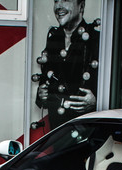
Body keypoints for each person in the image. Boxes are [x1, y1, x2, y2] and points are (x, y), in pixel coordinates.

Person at [35, 0, 100, 130]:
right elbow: (47, 76)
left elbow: (117, 88)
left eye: (65, 0)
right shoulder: (53, 38)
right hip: (58, 128)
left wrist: (97, 102)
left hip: (87, 127)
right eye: (56, 1)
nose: (58, 6)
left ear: (81, 6)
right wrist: (41, 94)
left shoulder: (96, 39)